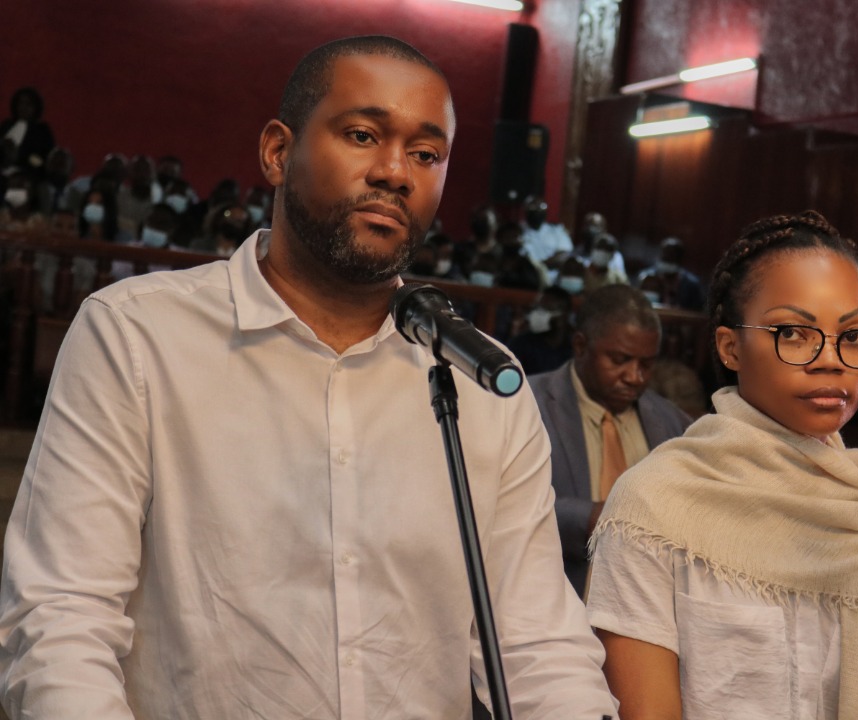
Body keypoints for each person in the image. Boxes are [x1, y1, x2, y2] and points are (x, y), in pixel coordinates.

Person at [0, 35, 616, 720]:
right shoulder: (138, 337)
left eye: (426, 154)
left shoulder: (479, 379)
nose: (396, 173)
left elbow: (536, 643)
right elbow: (61, 617)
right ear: (276, 152)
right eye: (363, 135)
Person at [588, 210, 858, 719]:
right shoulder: (655, 507)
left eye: (853, 335)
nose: (830, 359)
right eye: (793, 332)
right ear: (730, 347)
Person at [530, 285, 692, 598]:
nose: (634, 376)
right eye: (620, 360)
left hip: (651, 601)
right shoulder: (528, 404)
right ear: (580, 346)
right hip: (553, 595)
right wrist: (590, 519)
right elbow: (498, 502)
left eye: (647, 364)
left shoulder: (672, 421)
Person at [506, 286, 574, 375]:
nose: (537, 315)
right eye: (537, 309)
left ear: (563, 316)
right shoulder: (520, 344)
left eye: (545, 310)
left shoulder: (574, 349)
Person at [635, 236, 705, 311]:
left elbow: (697, 311)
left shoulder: (691, 284)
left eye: (671, 258)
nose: (667, 259)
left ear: (680, 259)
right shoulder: (647, 278)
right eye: (665, 257)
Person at [0, 87, 55, 179]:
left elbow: (43, 161)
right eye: (20, 103)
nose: (23, 107)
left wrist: (21, 156)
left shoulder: (42, 130)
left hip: (27, 177)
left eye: (28, 104)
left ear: (36, 107)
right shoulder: (6, 125)